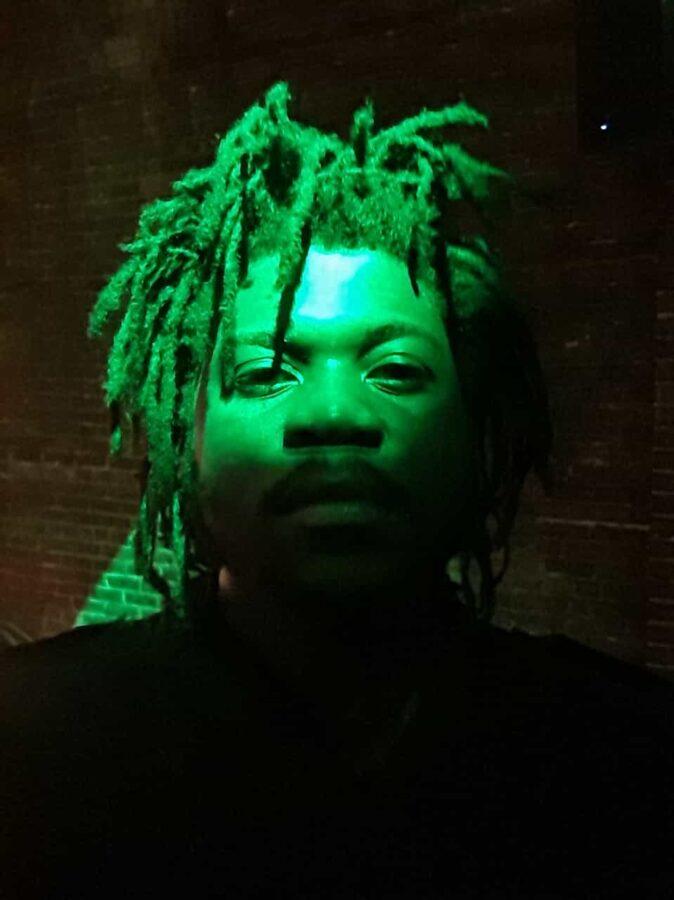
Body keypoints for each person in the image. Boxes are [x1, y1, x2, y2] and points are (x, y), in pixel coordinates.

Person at [1, 81, 672, 899]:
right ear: (186, 433)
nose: (332, 414)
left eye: (395, 370)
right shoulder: (33, 744)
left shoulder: (625, 760)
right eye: (265, 372)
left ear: (476, 430)